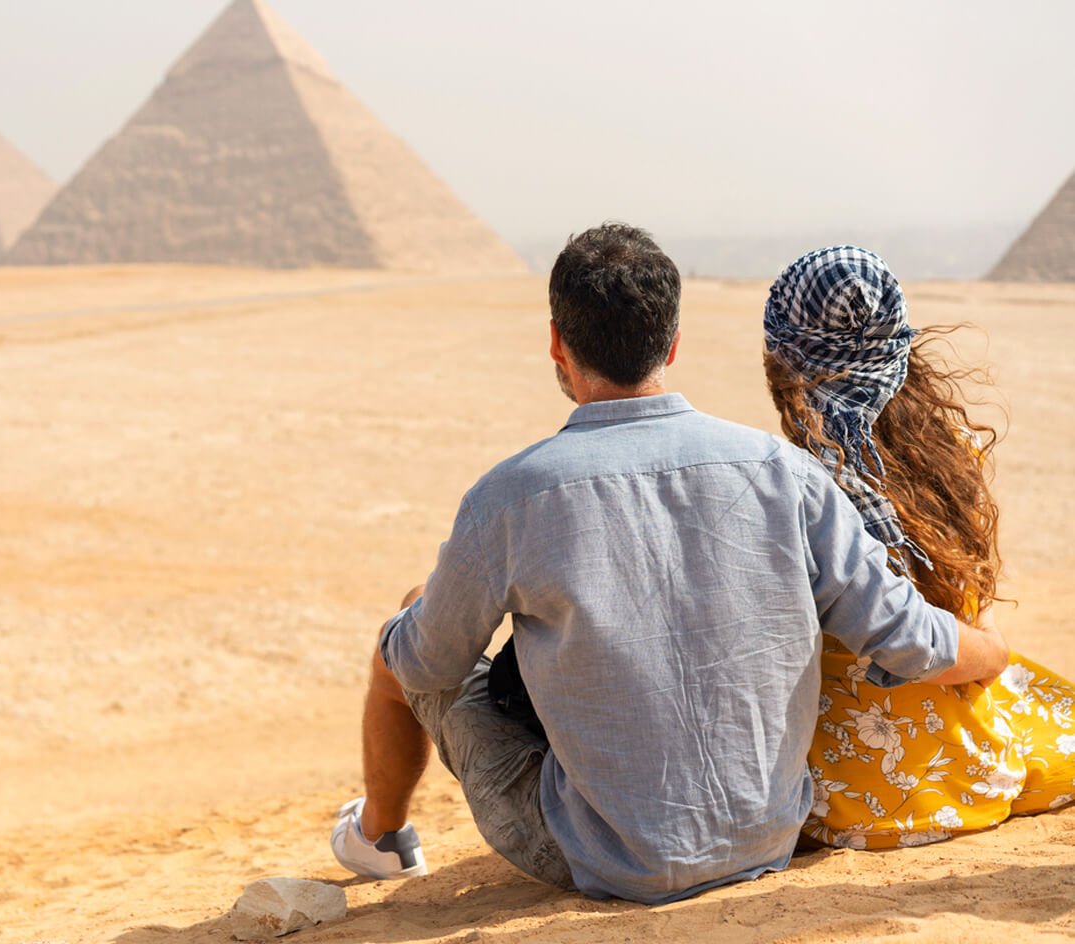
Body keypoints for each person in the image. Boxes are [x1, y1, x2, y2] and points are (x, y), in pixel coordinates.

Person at [328, 224, 1008, 905]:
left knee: (406, 637)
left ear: (558, 345)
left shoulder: (510, 496)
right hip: (767, 837)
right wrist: (996, 652)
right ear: (673, 343)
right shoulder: (784, 473)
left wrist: (419, 622)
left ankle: (381, 836)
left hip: (603, 861)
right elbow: (908, 638)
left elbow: (426, 668)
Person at [762, 245, 1075, 849]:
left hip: (837, 795)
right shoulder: (954, 460)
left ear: (783, 357)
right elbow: (971, 620)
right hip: (969, 771)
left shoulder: (791, 481)